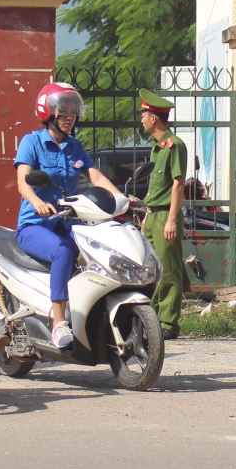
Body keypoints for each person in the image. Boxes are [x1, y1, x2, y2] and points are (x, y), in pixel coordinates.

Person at [15, 82, 121, 349]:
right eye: (63, 112)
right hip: (35, 224)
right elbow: (22, 182)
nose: (69, 118)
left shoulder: (75, 147)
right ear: (48, 113)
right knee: (63, 251)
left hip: (65, 221)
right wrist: (37, 201)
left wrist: (121, 198)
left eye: (73, 113)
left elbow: (94, 176)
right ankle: (59, 322)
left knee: (97, 246)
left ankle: (93, 312)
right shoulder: (32, 142)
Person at [138, 89, 188, 340]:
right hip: (153, 214)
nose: (142, 120)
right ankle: (152, 319)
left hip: (166, 215)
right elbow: (157, 187)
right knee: (150, 269)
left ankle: (168, 323)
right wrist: (148, 214)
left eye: (144, 115)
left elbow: (178, 184)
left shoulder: (174, 145)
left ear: (154, 118)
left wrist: (170, 219)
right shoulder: (156, 148)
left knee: (168, 269)